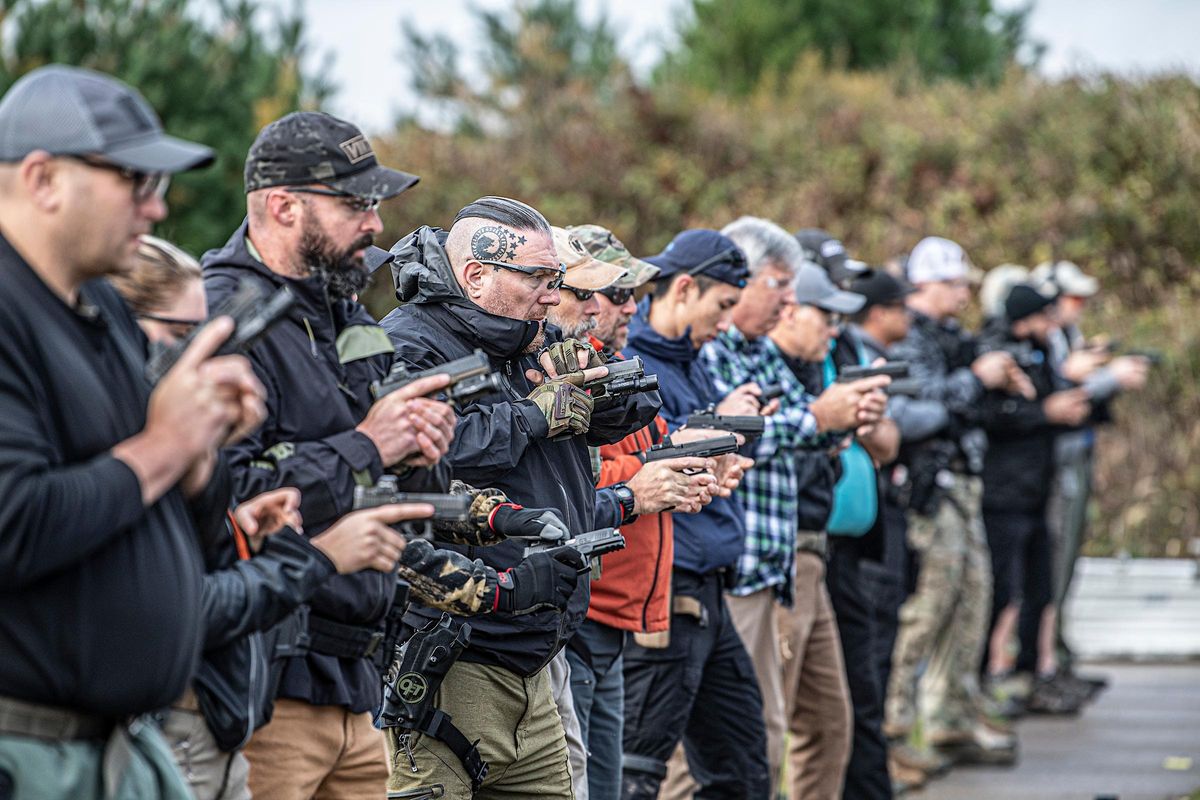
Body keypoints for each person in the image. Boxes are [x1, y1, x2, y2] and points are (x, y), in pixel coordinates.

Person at [203, 118, 573, 800]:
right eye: (354, 204)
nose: (375, 225)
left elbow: (396, 497)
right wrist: (371, 443)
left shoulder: (344, 318)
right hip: (271, 685)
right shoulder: (224, 319)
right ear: (283, 206)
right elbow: (231, 501)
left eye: (376, 204)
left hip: (358, 679)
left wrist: (426, 458)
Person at [0, 64, 261, 799]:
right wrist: (163, 446)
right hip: (30, 756)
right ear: (44, 178)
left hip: (121, 752)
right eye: (135, 181)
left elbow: (187, 525)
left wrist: (202, 452)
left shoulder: (105, 311)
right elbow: (14, 523)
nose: (157, 208)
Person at [378, 197, 660, 799]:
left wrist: (595, 389)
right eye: (539, 279)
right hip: (454, 657)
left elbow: (628, 405)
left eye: (556, 281)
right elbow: (418, 457)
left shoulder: (526, 334)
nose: (553, 297)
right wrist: (531, 416)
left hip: (539, 655)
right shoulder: (410, 342)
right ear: (477, 274)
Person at [685, 219, 888, 800]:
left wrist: (841, 419)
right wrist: (823, 418)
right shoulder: (713, 346)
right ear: (739, 280)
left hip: (781, 566)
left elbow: (800, 421)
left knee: (827, 724)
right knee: (748, 737)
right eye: (780, 284)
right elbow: (728, 436)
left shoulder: (755, 350)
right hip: (743, 568)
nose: (790, 299)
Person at [558, 224, 720, 800]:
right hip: (585, 611)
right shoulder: (562, 371)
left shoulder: (616, 364)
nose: (633, 306)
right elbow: (565, 483)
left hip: (618, 616)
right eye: (616, 292)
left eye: (633, 293)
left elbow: (640, 460)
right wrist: (648, 482)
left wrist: (689, 467)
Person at [618, 228, 769, 800]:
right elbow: (633, 467)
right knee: (636, 770)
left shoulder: (690, 359)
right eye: (723, 305)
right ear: (684, 288)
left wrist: (718, 452)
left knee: (744, 769)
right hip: (668, 592)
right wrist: (713, 427)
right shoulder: (633, 363)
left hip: (708, 591)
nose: (727, 322)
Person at [884, 237, 1031, 768]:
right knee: (927, 608)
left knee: (972, 601)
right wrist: (976, 379)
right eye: (955, 283)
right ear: (927, 285)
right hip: (931, 486)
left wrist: (999, 377)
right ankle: (894, 725)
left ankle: (950, 720)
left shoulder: (952, 336)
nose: (964, 293)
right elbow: (918, 403)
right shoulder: (905, 335)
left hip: (965, 482)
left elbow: (972, 403)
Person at [803, 236, 903, 800]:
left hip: (854, 546)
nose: (846, 291)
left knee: (857, 693)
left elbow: (887, 443)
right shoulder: (795, 347)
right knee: (815, 707)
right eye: (833, 279)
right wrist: (829, 420)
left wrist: (860, 422)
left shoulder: (849, 346)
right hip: (810, 543)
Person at [1026, 261, 1148, 700]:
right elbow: (1053, 393)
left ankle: (1055, 651)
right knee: (1047, 562)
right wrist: (1104, 379)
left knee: (1064, 559)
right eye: (1071, 298)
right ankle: (1039, 660)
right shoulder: (1041, 338)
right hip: (1048, 464)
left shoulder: (1065, 337)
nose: (1076, 307)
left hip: (1074, 455)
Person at [977, 284, 1094, 714]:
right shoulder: (998, 351)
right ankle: (983, 678)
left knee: (1039, 588)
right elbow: (991, 415)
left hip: (1035, 489)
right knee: (998, 591)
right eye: (1046, 317)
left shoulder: (1041, 352)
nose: (1053, 325)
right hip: (1003, 490)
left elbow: (1053, 404)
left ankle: (1031, 674)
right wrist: (1047, 412)